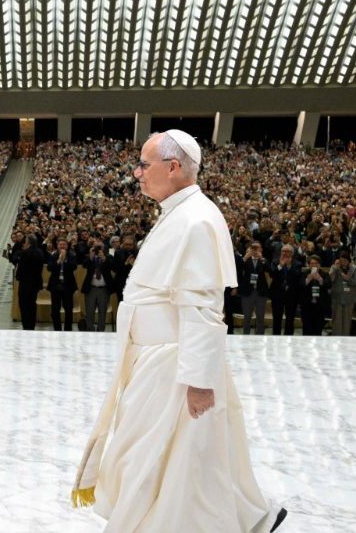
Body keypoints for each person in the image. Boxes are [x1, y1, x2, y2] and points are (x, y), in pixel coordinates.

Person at [73, 130, 283, 532]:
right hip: (156, 359)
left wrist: (199, 380)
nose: (136, 172)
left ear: (173, 167)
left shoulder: (197, 219)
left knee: (158, 460)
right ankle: (249, 516)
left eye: (143, 164)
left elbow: (203, 306)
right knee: (176, 460)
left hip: (174, 363)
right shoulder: (178, 213)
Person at [268, 244, 301, 336]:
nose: (285, 253)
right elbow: (272, 275)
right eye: (284, 251)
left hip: (291, 295)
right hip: (277, 294)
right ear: (281, 252)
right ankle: (276, 336)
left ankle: (288, 336)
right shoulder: (275, 262)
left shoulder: (297, 264)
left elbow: (297, 276)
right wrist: (281, 265)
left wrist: (289, 265)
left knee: (290, 318)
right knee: (277, 317)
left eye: (288, 251)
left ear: (292, 253)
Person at [46, 238, 77, 331]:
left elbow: (74, 267)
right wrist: (59, 260)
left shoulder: (72, 255)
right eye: (60, 244)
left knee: (68, 309)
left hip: (68, 286)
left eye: (64, 244)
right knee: (55, 310)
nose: (62, 246)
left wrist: (65, 260)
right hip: (55, 285)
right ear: (57, 246)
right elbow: (49, 268)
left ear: (67, 246)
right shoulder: (53, 255)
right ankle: (57, 329)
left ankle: (68, 329)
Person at [14, 234, 44, 330]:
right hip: (35, 283)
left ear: (29, 242)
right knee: (32, 305)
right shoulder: (39, 252)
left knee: (24, 306)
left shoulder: (26, 253)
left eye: (25, 241)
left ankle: (26, 326)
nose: (24, 242)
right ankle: (32, 326)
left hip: (25, 283)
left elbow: (19, 264)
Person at [238, 241, 269, 335]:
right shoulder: (246, 259)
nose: (255, 250)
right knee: (247, 317)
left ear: (261, 249)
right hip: (247, 292)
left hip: (261, 292)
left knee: (260, 317)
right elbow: (238, 269)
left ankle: (260, 337)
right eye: (253, 248)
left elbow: (270, 270)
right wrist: (245, 257)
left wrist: (262, 258)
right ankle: (245, 338)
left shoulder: (263, 260)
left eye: (257, 248)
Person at [82, 241, 112, 332]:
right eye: (96, 247)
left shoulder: (108, 257)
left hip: (103, 289)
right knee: (89, 312)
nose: (98, 249)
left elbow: (113, 266)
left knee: (102, 312)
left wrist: (104, 258)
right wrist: (90, 258)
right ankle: (90, 331)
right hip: (91, 288)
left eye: (100, 247)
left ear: (104, 248)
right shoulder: (89, 257)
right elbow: (84, 265)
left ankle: (101, 331)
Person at [329, 252, 356, 336]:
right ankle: (336, 339)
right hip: (337, 298)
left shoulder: (354, 269)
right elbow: (330, 280)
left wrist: (347, 279)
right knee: (336, 321)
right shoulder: (334, 267)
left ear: (349, 261)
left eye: (345, 261)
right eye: (341, 260)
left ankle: (346, 339)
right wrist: (336, 268)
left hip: (349, 299)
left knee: (347, 321)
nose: (343, 262)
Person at [300, 255, 331, 336]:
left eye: (316, 263)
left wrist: (320, 279)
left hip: (320, 306)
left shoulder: (324, 274)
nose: (314, 265)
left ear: (319, 265)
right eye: (312, 263)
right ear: (308, 265)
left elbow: (329, 284)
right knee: (307, 329)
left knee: (318, 329)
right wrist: (308, 279)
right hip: (307, 306)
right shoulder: (304, 273)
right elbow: (300, 285)